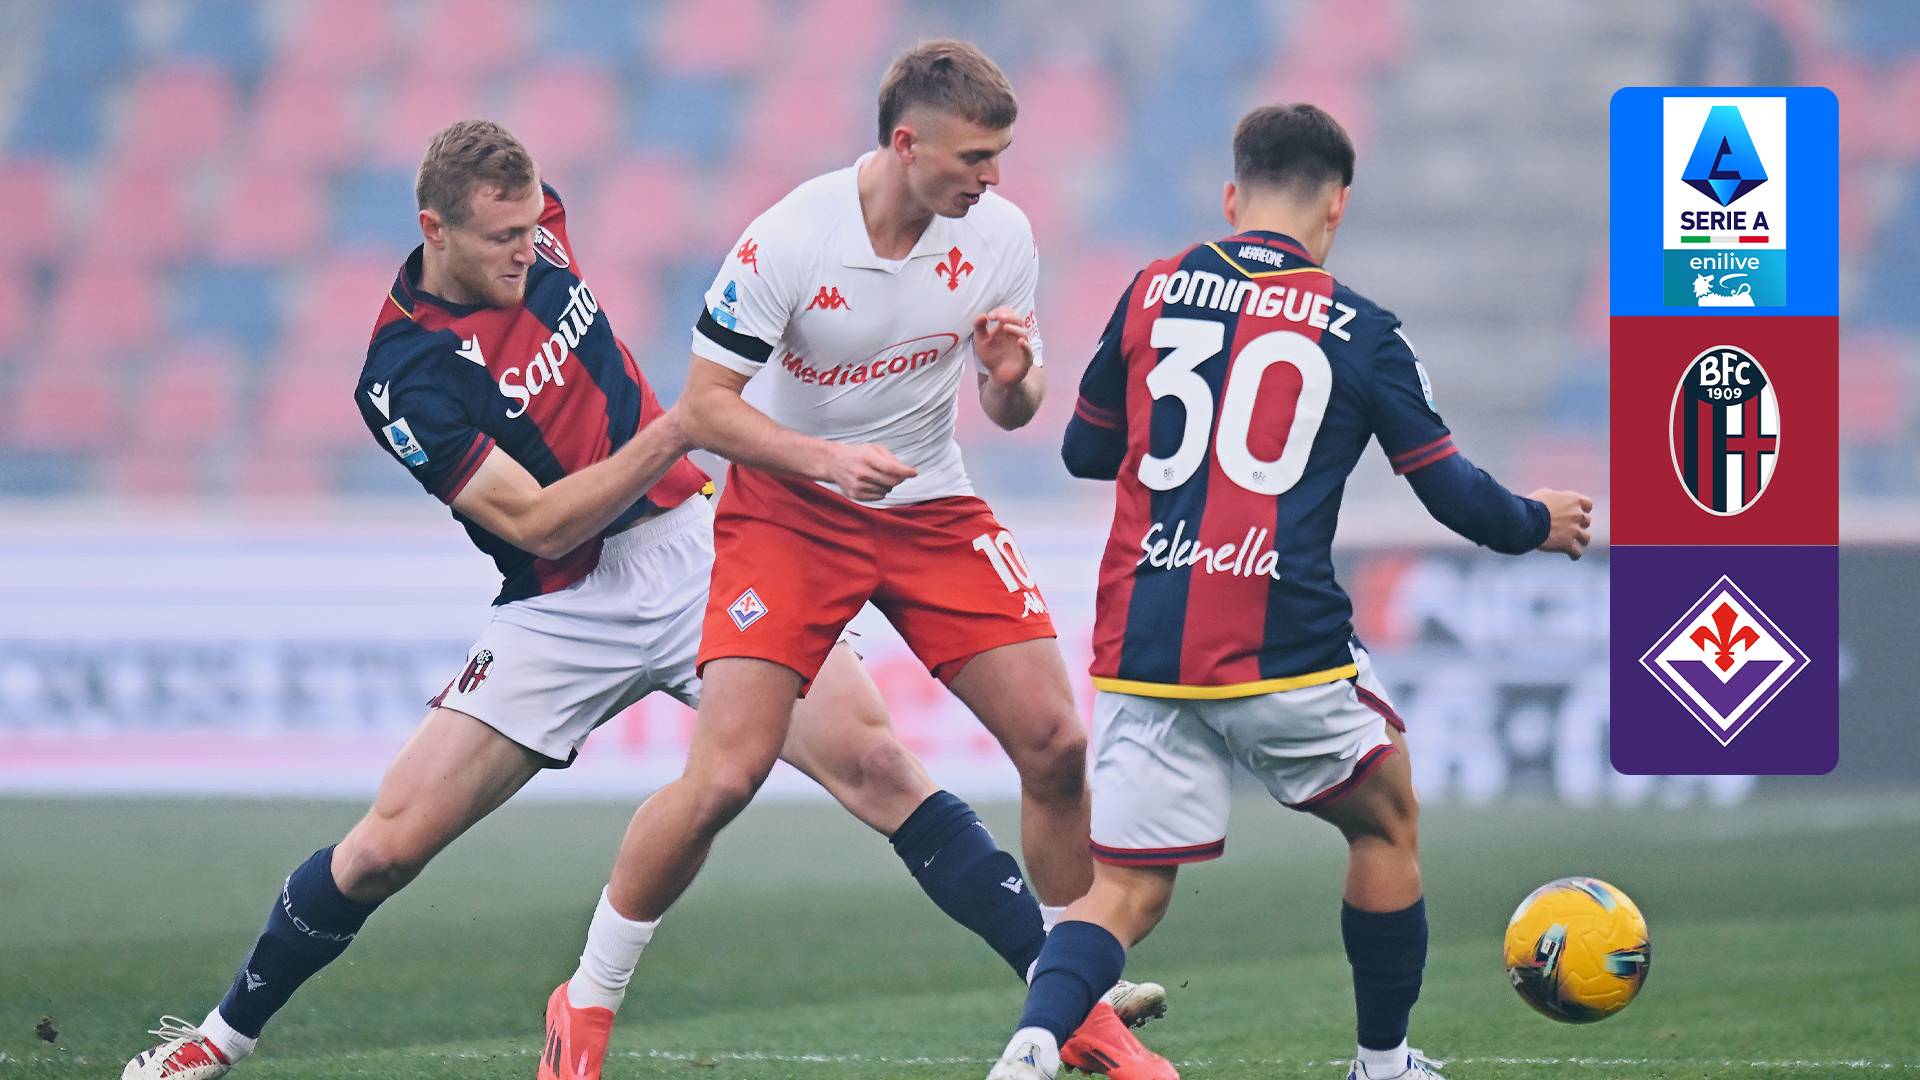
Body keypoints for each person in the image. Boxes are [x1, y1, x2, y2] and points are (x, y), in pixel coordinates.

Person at [119, 119, 1156, 1080]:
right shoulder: (405, 376)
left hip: (699, 550)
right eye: (501, 238)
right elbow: (538, 524)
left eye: (533, 226)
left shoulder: (543, 227)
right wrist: (681, 428)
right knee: (386, 846)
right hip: (560, 605)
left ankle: (1069, 1001)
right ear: (434, 231)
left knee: (878, 765)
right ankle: (217, 1039)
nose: (527, 250)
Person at [541, 40, 1174, 1080]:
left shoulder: (1000, 236)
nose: (994, 177)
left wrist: (1009, 378)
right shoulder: (792, 238)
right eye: (975, 157)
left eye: (1001, 155)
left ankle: (1080, 1010)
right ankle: (587, 999)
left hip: (930, 506)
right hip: (788, 513)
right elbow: (704, 411)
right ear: (906, 143)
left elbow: (1014, 409)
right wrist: (824, 460)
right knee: (725, 778)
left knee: (1058, 744)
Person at [983, 103, 1594, 1080]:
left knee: (1126, 892)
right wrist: (1537, 521)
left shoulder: (1150, 290)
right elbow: (1452, 493)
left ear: (1233, 197)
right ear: (1337, 204)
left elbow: (1086, 451)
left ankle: (1030, 1047)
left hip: (1146, 640)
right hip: (1282, 641)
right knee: (1384, 819)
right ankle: (1382, 1065)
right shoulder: (1364, 330)